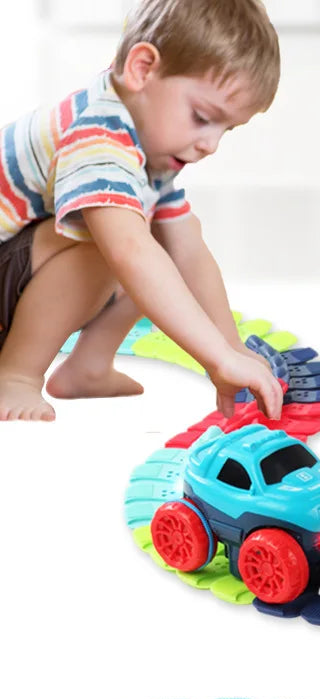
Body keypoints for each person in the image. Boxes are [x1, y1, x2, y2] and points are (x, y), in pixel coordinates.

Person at [0, 0, 284, 421]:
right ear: (142, 68)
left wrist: (229, 349)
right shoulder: (98, 133)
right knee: (117, 244)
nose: (211, 145)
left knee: (157, 239)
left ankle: (88, 367)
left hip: (18, 269)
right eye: (202, 117)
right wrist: (218, 358)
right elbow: (130, 252)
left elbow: (188, 249)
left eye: (227, 129)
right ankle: (15, 375)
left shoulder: (146, 143)